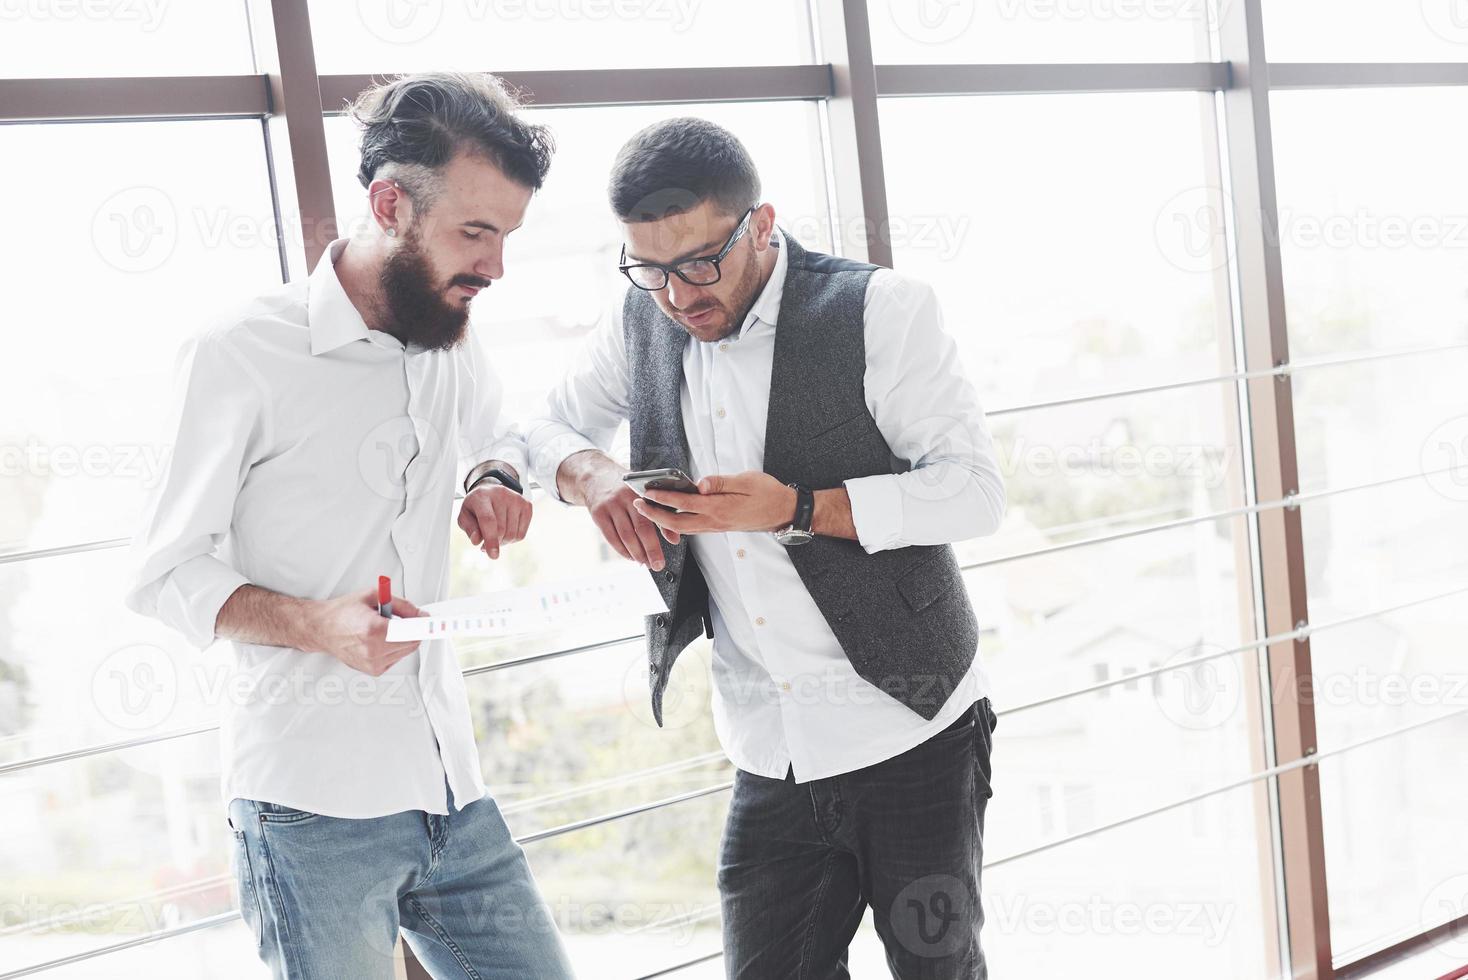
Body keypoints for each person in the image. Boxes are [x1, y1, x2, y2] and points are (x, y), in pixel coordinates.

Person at [522, 117, 1006, 978]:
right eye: (652, 270)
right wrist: (591, 475)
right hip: (768, 742)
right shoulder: (639, 318)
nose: (677, 296)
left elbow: (974, 491)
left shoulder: (882, 310)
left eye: (701, 263)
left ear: (762, 223)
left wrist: (800, 507)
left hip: (914, 723)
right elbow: (540, 425)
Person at [124, 72, 574, 979]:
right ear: (390, 204)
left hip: (451, 788)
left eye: (506, 237)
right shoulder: (241, 353)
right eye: (475, 233)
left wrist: (490, 476)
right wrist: (314, 624)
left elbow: (497, 430)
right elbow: (163, 573)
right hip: (309, 810)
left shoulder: (449, 326)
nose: (493, 266)